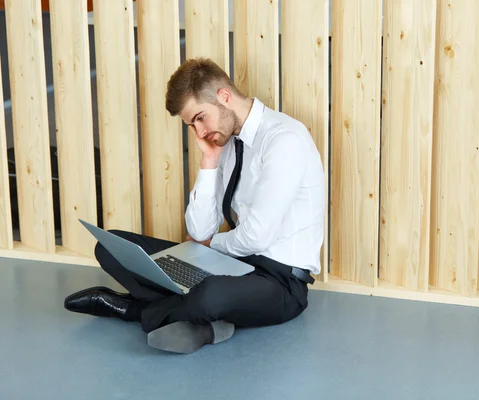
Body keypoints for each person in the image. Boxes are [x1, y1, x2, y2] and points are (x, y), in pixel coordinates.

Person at [64, 57, 326, 354]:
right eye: (192, 125)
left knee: (210, 295)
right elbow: (199, 229)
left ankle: (132, 309)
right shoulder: (225, 141)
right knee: (110, 246)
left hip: (280, 283)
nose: (199, 133)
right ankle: (205, 323)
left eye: (200, 118)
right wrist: (209, 161)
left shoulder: (284, 140)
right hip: (234, 263)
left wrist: (209, 245)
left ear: (224, 97)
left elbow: (256, 237)